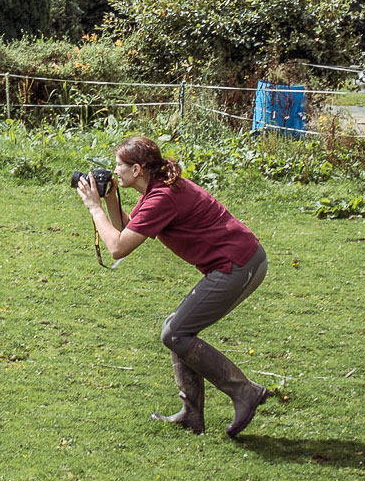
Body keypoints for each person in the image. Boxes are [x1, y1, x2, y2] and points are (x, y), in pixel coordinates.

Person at [75, 135, 271, 437]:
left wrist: (94, 208)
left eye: (119, 166)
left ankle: (244, 391)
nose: (114, 171)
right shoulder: (157, 189)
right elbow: (128, 228)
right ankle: (191, 415)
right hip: (235, 262)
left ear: (138, 169)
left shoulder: (161, 198)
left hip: (238, 265)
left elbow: (117, 247)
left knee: (176, 332)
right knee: (178, 330)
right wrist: (111, 199)